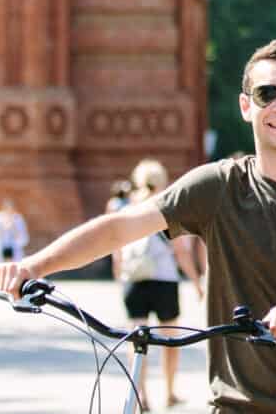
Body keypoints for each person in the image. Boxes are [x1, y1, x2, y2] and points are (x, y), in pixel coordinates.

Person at [0, 40, 276, 413]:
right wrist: (34, 267)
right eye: (267, 94)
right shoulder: (217, 186)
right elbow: (120, 227)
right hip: (234, 406)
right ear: (246, 106)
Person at [113, 158, 205, 409]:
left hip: (134, 280)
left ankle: (140, 394)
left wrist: (120, 277)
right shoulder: (164, 209)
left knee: (137, 341)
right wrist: (197, 281)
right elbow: (180, 251)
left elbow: (116, 250)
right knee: (169, 340)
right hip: (164, 280)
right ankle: (170, 391)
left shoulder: (125, 209)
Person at [0, 198, 29, 265]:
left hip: (15, 258)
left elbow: (24, 238)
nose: (9, 211)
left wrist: (13, 228)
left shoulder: (18, 219)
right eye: (7, 208)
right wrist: (2, 229)